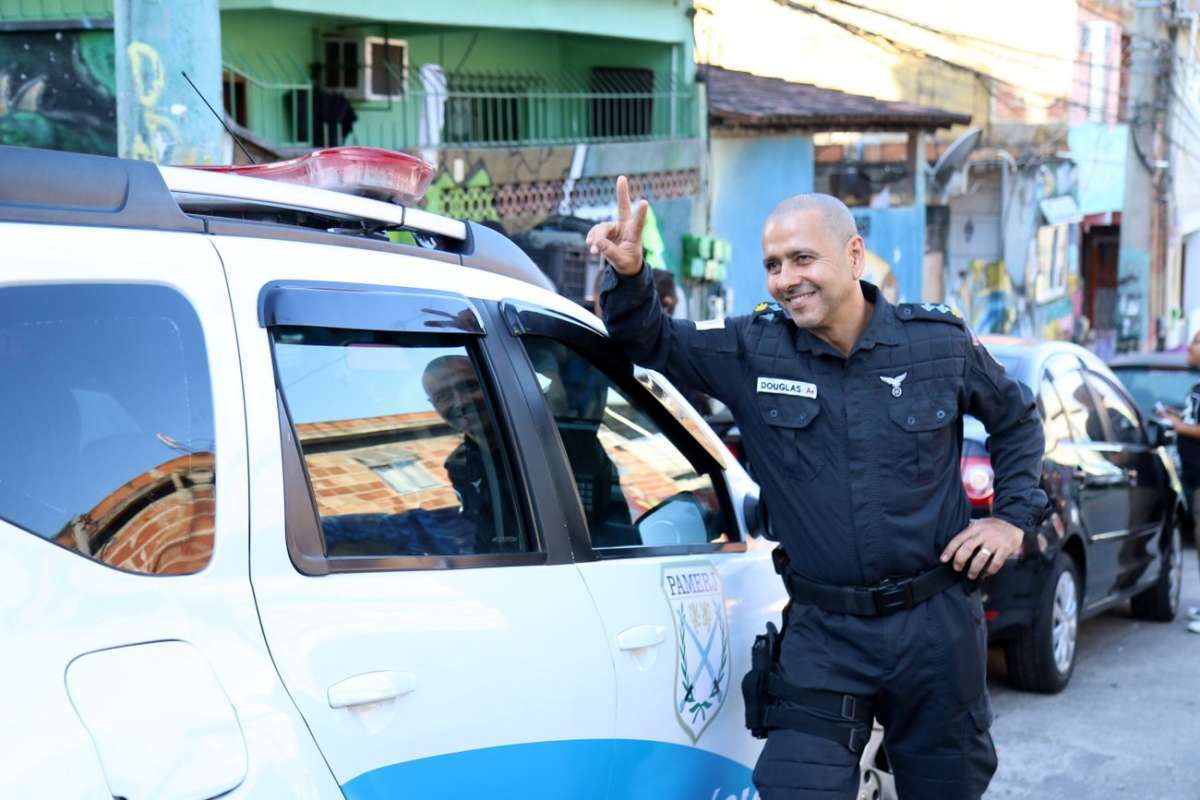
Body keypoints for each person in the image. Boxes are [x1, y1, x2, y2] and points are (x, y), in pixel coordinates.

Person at [588, 177, 1048, 800]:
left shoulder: (936, 344)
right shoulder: (753, 349)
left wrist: (1011, 519)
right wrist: (631, 272)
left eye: (803, 258)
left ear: (854, 257)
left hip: (936, 629)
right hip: (824, 631)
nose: (785, 279)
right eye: (773, 265)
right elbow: (651, 340)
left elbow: (1016, 419)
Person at [421, 355, 521, 554]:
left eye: (470, 386)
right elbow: (481, 527)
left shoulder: (546, 441)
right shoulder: (458, 465)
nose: (461, 402)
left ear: (492, 384)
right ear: (434, 406)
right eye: (443, 397)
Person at [1162, 331, 1200, 633]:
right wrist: (1176, 415)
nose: (1189, 348)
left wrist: (1177, 425)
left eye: (1196, 342)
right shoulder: (1196, 387)